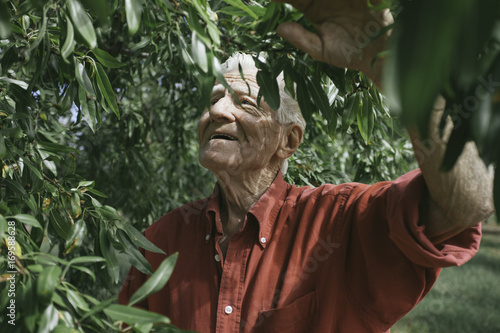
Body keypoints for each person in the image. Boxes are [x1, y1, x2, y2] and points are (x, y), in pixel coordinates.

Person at [119, 0, 494, 332]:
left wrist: (390, 65)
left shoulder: (341, 224)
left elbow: (466, 204)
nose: (217, 111)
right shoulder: (161, 242)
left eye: (245, 103)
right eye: (215, 99)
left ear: (289, 141)